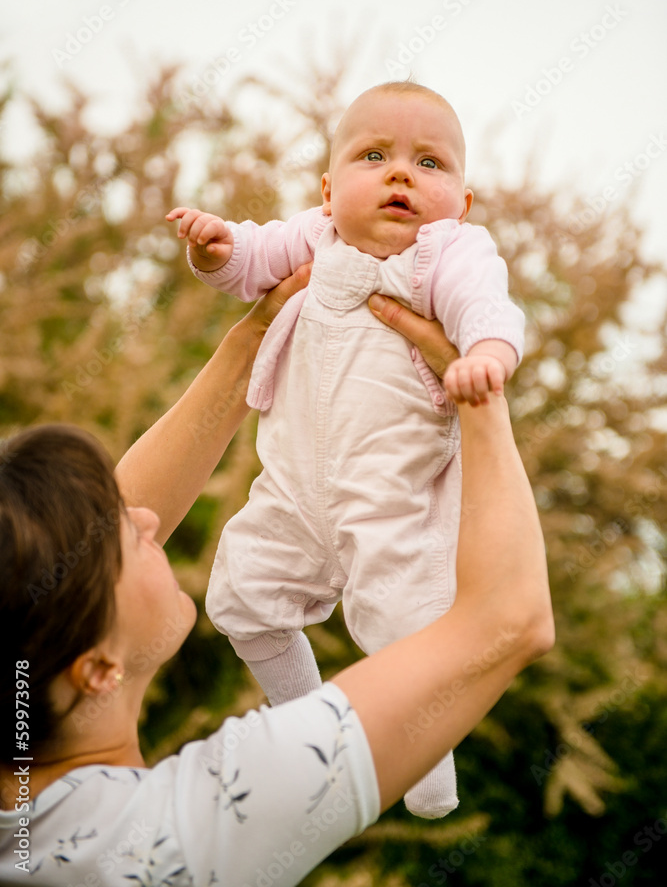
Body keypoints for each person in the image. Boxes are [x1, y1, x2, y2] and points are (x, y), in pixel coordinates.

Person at [0, 264, 553, 885]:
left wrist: (255, 340)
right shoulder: (190, 828)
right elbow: (510, 620)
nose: (148, 518)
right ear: (97, 667)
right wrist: (477, 396)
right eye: (128, 538)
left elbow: (48, 584)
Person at [166, 80, 525, 818]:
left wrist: (486, 353)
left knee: (404, 629)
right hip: (291, 488)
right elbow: (249, 262)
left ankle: (425, 770)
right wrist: (214, 247)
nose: (400, 173)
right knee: (240, 597)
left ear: (463, 200)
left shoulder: (447, 253)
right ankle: (308, 726)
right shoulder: (315, 234)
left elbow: (484, 304)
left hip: (387, 493)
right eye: (374, 155)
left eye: (430, 163)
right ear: (328, 190)